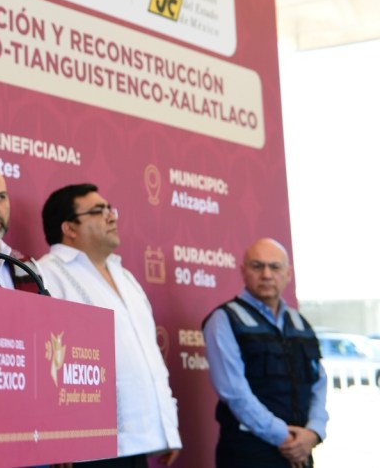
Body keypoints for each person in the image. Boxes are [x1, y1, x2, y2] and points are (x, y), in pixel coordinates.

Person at [36, 183, 181, 467]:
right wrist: (56, 435)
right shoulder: (46, 274)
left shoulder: (126, 277)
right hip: (86, 446)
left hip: (140, 444)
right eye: (98, 211)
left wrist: (168, 428)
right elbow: (42, 364)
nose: (111, 216)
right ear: (69, 227)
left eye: (110, 209)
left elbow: (151, 359)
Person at [202, 237, 327, 467]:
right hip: (250, 453)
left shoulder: (300, 323)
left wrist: (314, 432)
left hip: (300, 450)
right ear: (243, 271)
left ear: (288, 273)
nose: (267, 274)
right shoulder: (224, 320)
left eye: (275, 267)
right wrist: (285, 438)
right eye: (257, 266)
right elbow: (235, 393)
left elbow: (318, 383)